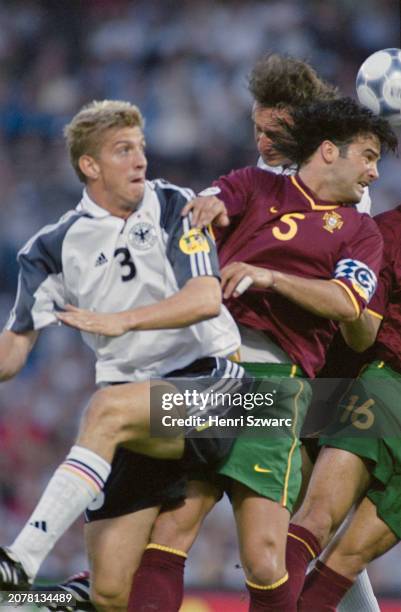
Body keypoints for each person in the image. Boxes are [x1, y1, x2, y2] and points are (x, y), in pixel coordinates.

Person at [45, 56, 386, 611]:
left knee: (269, 554)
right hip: (209, 373)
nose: (262, 139)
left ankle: (87, 579)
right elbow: (204, 205)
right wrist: (196, 212)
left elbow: (351, 308)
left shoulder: (354, 219)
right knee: (171, 528)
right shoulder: (252, 181)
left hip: (278, 386)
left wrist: (271, 277)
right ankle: (85, 573)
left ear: (312, 134)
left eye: (273, 129)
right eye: (256, 128)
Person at [0, 99, 248, 610]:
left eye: (141, 148)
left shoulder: (177, 204)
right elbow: (12, 353)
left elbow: (205, 298)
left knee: (104, 410)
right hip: (138, 413)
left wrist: (121, 321)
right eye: (123, 150)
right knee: (110, 591)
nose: (140, 160)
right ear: (89, 166)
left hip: (214, 388)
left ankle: (17, 564)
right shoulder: (49, 249)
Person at [285, 203, 401, 610]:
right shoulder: (382, 231)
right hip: (350, 390)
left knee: (341, 562)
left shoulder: (368, 228)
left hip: (335, 389)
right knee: (177, 414)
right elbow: (359, 334)